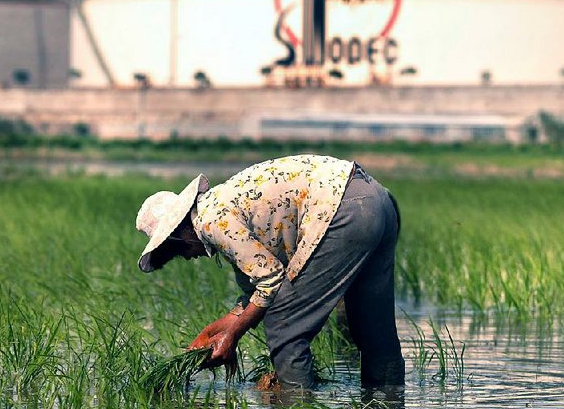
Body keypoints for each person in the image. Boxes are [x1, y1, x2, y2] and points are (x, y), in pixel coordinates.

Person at [136, 154, 405, 388]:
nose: (185, 258)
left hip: (340, 210)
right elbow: (255, 293)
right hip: (375, 199)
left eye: (175, 252)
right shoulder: (220, 207)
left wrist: (233, 335)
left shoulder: (212, 222)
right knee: (374, 331)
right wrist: (213, 332)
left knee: (283, 326)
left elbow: (271, 281)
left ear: (178, 235)